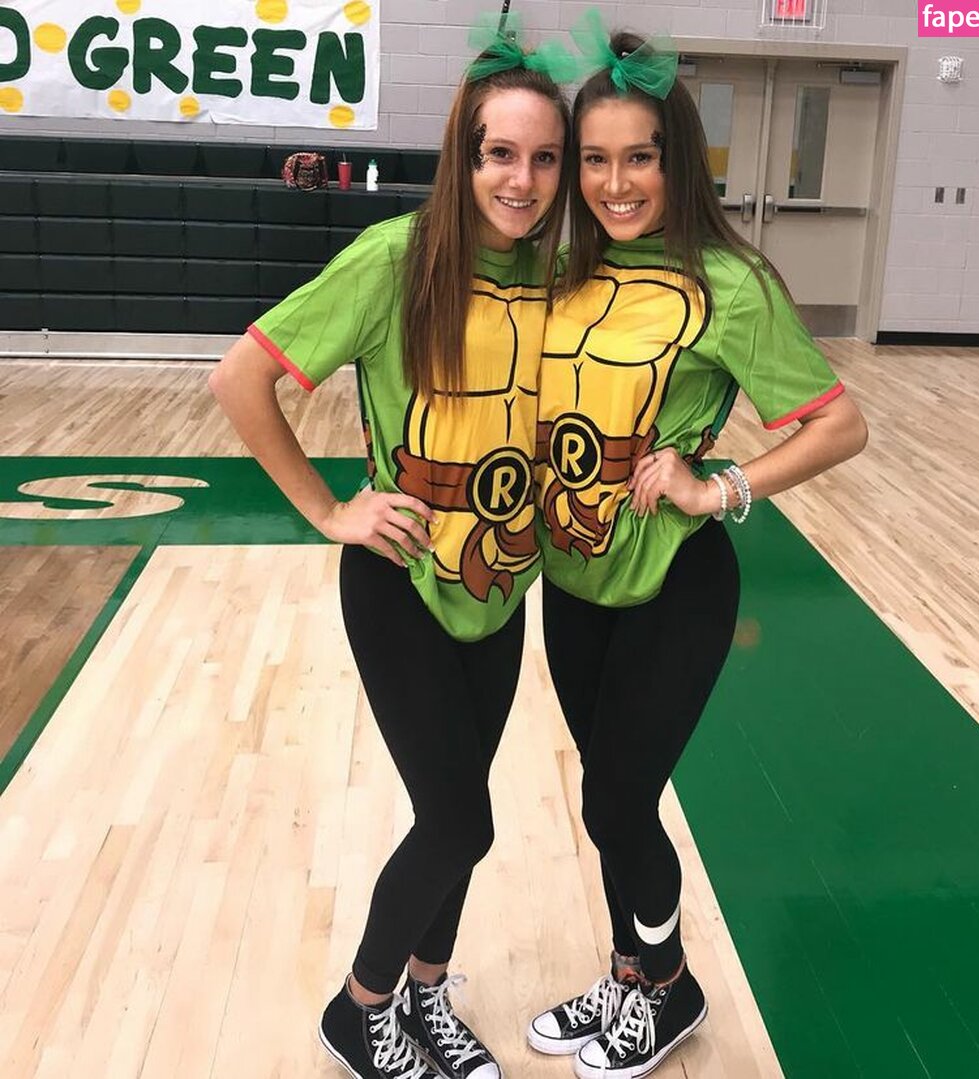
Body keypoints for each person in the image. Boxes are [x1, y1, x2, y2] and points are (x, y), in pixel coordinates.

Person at [209, 19, 573, 1079]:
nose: (521, 179)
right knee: (461, 822)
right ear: (464, 153)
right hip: (400, 579)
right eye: (499, 153)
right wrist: (330, 510)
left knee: (452, 805)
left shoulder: (557, 276)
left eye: (544, 157)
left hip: (499, 584)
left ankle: (424, 989)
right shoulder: (393, 258)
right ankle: (360, 1008)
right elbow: (240, 378)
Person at [527, 17, 869, 1079]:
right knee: (613, 798)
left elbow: (840, 424)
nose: (615, 184)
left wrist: (718, 486)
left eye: (639, 158)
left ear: (678, 161)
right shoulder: (565, 271)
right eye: (595, 160)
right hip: (573, 577)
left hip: (676, 578)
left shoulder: (730, 282)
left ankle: (669, 985)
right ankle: (630, 975)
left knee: (616, 799)